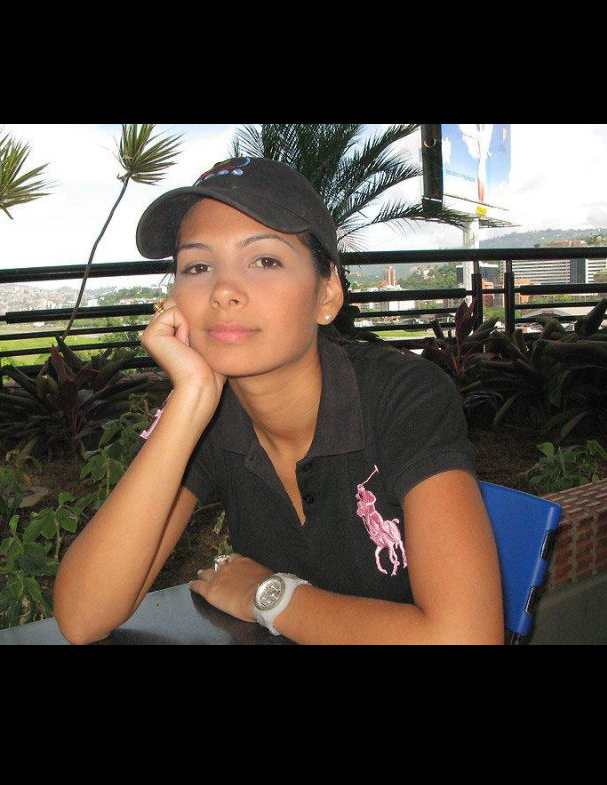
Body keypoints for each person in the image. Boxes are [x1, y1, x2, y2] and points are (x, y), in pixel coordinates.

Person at [53, 156, 504, 645]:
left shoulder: (403, 396)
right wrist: (191, 398)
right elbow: (83, 617)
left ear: (326, 294)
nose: (224, 290)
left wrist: (271, 597)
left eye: (265, 261)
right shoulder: (210, 413)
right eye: (198, 266)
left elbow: (467, 638)